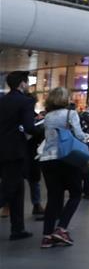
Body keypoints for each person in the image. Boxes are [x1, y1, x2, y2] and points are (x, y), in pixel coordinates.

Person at [37, 88, 86, 248]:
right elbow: (79, 135)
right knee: (76, 193)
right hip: (65, 158)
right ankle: (61, 228)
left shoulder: (48, 116)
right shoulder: (70, 114)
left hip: (47, 159)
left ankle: (47, 236)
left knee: (54, 198)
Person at [0, 70, 37, 240]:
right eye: (27, 82)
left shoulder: (3, 101)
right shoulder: (26, 102)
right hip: (16, 151)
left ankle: (18, 228)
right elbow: (29, 127)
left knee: (17, 189)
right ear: (22, 83)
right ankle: (17, 228)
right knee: (9, 188)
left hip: (3, 150)